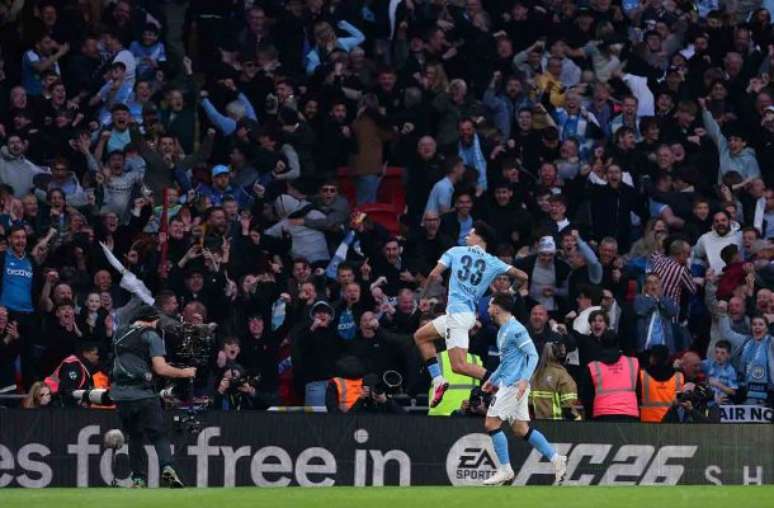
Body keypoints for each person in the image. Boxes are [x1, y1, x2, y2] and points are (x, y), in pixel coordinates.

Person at [414, 221, 529, 407]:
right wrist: (510, 292)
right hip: (463, 315)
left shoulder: (455, 251)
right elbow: (523, 276)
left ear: (480, 238)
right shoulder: (493, 261)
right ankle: (438, 380)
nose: (467, 236)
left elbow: (434, 275)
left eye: (471, 233)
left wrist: (424, 296)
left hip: (458, 316)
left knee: (459, 366)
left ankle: (504, 384)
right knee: (421, 336)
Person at [480, 294, 567, 486]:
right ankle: (556, 459)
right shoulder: (502, 330)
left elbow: (533, 355)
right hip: (509, 384)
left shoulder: (517, 329)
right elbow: (506, 362)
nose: (487, 308)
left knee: (491, 423)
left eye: (490, 305)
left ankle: (505, 470)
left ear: (497, 308)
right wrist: (492, 379)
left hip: (514, 386)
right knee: (521, 429)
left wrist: (523, 380)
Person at [111, 305, 195, 488]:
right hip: (144, 395)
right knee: (158, 435)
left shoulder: (119, 333)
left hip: (120, 396)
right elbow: (161, 368)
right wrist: (186, 372)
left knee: (135, 437)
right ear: (152, 320)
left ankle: (138, 479)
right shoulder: (150, 335)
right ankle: (168, 468)